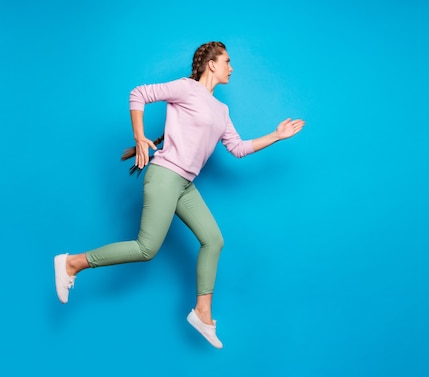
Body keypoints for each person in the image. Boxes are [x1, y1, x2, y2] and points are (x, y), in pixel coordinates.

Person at [54, 41, 304, 349]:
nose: (232, 67)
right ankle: (72, 263)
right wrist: (139, 137)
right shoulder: (186, 89)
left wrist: (277, 136)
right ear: (211, 64)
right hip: (164, 175)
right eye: (227, 61)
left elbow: (238, 148)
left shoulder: (221, 110)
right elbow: (139, 94)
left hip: (184, 183)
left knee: (214, 240)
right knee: (147, 249)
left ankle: (202, 313)